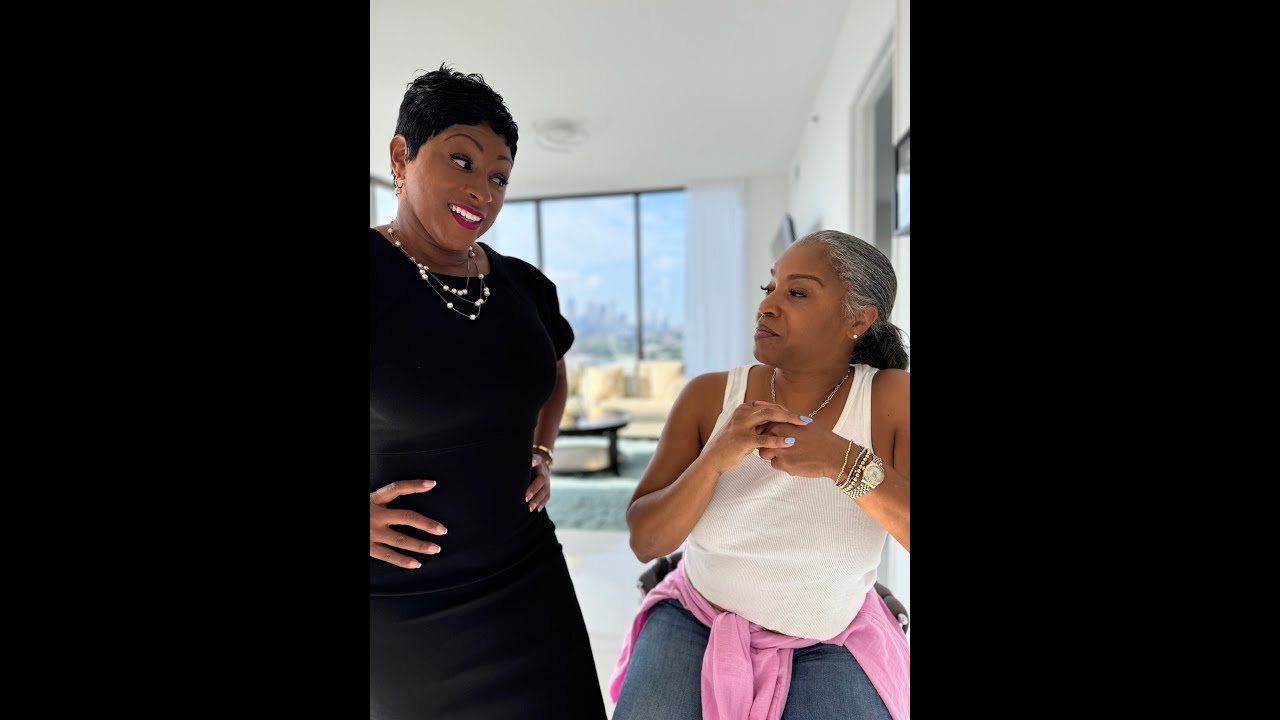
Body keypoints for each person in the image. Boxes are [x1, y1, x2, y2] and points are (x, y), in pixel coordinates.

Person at [369, 65, 605, 720]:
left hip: (529, 577)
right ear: (401, 156)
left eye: (499, 176)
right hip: (406, 611)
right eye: (461, 160)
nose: (483, 189)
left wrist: (543, 450)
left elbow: (552, 371)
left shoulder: (523, 285)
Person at [610, 230, 911, 720]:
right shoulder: (708, 396)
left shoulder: (892, 398)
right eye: (769, 288)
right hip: (696, 619)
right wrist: (714, 459)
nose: (767, 306)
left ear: (858, 319)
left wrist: (842, 461)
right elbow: (646, 542)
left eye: (797, 292)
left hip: (829, 637)